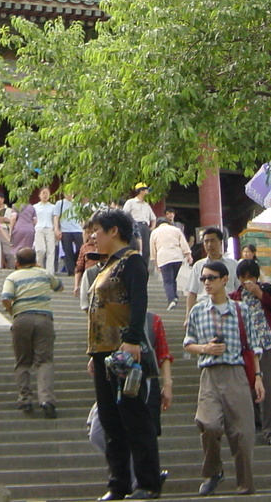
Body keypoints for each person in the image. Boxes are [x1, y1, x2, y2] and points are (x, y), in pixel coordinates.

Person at [86, 207, 164, 501]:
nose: (93, 236)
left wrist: (132, 339)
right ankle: (118, 483)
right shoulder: (105, 266)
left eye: (97, 230)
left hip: (124, 351)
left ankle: (148, 482)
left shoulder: (132, 262)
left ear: (113, 231)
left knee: (135, 419)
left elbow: (139, 301)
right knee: (110, 420)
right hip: (101, 352)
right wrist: (91, 352)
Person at [183, 259, 267, 496]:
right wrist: (205, 349)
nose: (206, 283)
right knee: (208, 424)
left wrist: (258, 377)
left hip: (236, 373)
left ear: (224, 280)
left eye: (211, 278)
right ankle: (214, 471)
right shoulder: (197, 310)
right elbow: (188, 343)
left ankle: (245, 484)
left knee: (242, 434)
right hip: (209, 373)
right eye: (203, 279)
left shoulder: (242, 310)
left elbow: (253, 346)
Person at [87, 312, 173, 491]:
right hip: (112, 379)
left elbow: (163, 353)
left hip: (140, 378)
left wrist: (167, 384)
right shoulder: (112, 317)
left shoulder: (152, 320)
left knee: (139, 429)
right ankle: (131, 477)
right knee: (100, 430)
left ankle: (144, 479)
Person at [1, 247, 63, 417]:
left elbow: (5, 297)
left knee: (23, 361)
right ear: (36, 260)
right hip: (44, 319)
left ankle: (25, 398)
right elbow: (59, 287)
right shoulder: (44, 273)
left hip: (21, 319)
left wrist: (11, 310)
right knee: (44, 361)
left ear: (17, 263)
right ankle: (47, 399)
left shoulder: (12, 277)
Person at [230, 259, 271, 445]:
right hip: (245, 349)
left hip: (267, 345)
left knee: (269, 388)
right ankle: (256, 423)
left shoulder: (266, 290)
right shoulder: (234, 297)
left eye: (250, 277)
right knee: (248, 388)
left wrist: (260, 294)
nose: (247, 281)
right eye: (243, 277)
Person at [186, 226, 238, 320]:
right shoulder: (198, 266)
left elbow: (239, 290)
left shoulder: (233, 264)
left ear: (220, 242)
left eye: (213, 241)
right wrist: (188, 318)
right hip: (204, 311)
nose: (209, 245)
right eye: (206, 241)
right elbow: (192, 293)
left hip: (228, 310)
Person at [150, 211, 192, 310]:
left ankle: (171, 299)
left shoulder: (154, 232)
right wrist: (188, 255)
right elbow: (184, 243)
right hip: (177, 257)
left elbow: (153, 250)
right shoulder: (176, 230)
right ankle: (175, 297)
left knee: (168, 281)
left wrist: (156, 264)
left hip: (164, 258)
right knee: (173, 278)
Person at [123, 184, 156, 265]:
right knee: (135, 247)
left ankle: (144, 267)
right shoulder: (130, 202)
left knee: (146, 250)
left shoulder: (146, 205)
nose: (147, 191)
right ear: (141, 191)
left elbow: (153, 218)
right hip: (135, 226)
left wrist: (152, 228)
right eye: (146, 190)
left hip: (145, 227)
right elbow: (124, 214)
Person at [56, 190, 84, 276]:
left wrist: (83, 228)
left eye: (71, 192)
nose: (69, 194)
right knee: (68, 252)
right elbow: (56, 217)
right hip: (65, 230)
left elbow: (82, 217)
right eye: (67, 192)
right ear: (64, 194)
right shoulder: (60, 203)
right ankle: (71, 271)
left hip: (77, 230)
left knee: (81, 250)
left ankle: (78, 268)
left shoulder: (77, 203)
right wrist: (57, 229)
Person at [33, 186, 59, 273]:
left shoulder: (53, 207)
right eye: (43, 193)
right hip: (39, 228)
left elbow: (55, 218)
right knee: (40, 250)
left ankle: (49, 271)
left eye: (47, 193)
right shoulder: (35, 207)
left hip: (50, 228)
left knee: (51, 251)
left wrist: (56, 229)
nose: (45, 195)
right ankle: (39, 268)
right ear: (39, 195)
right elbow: (33, 219)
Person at [0, 191, 16, 268]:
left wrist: (6, 220)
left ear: (2, 199)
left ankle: (11, 268)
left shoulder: (10, 210)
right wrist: (1, 219)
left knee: (8, 252)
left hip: (6, 230)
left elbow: (13, 220)